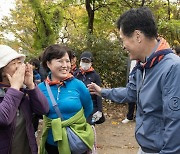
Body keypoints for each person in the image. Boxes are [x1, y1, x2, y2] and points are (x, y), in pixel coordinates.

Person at [88, 7, 180, 154]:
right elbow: (131, 93)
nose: (123, 46)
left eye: (123, 39)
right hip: (145, 148)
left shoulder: (173, 68)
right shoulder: (142, 65)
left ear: (137, 36)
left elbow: (175, 124)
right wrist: (102, 92)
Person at [38, 44, 94, 154]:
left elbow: (88, 108)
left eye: (67, 61)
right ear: (48, 64)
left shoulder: (78, 85)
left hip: (76, 142)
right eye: (60, 61)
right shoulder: (40, 89)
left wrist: (73, 124)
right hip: (51, 143)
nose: (65, 65)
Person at [0, 45, 49, 154]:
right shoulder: (15, 90)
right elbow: (3, 118)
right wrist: (15, 87)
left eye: (19, 62)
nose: (19, 67)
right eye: (14, 63)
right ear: (2, 70)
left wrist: (31, 85)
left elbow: (43, 110)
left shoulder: (23, 91)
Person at [74, 51, 103, 125]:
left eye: (87, 61)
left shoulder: (95, 75)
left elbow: (98, 93)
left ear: (91, 63)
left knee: (88, 126)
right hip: (78, 104)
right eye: (83, 61)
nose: (85, 63)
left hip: (91, 105)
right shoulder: (76, 74)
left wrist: (100, 110)